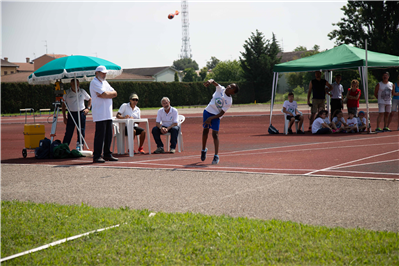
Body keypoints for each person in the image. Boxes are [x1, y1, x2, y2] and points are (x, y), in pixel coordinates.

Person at [201, 79, 239, 164]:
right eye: (229, 85)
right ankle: (203, 150)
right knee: (205, 131)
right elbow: (214, 82)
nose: (229, 86)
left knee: (215, 134)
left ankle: (216, 156)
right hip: (207, 111)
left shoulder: (228, 101)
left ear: (233, 92)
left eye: (231, 87)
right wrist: (210, 81)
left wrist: (211, 118)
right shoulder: (221, 89)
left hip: (216, 116)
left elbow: (221, 113)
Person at [90, 65, 118, 163]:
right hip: (100, 113)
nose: (104, 74)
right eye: (102, 73)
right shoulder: (94, 82)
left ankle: (107, 154)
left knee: (108, 135)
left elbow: (115, 93)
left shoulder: (105, 82)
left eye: (105, 73)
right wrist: (106, 94)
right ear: (96, 73)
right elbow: (107, 94)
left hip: (108, 113)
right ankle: (97, 155)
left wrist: (105, 95)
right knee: (100, 136)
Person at [62, 79, 91, 150]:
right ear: (71, 85)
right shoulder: (67, 92)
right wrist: (64, 117)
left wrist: (88, 108)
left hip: (81, 113)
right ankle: (65, 146)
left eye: (77, 84)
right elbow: (63, 105)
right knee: (69, 131)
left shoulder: (82, 91)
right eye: (74, 84)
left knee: (81, 130)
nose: (76, 85)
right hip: (71, 113)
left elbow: (90, 99)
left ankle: (80, 145)